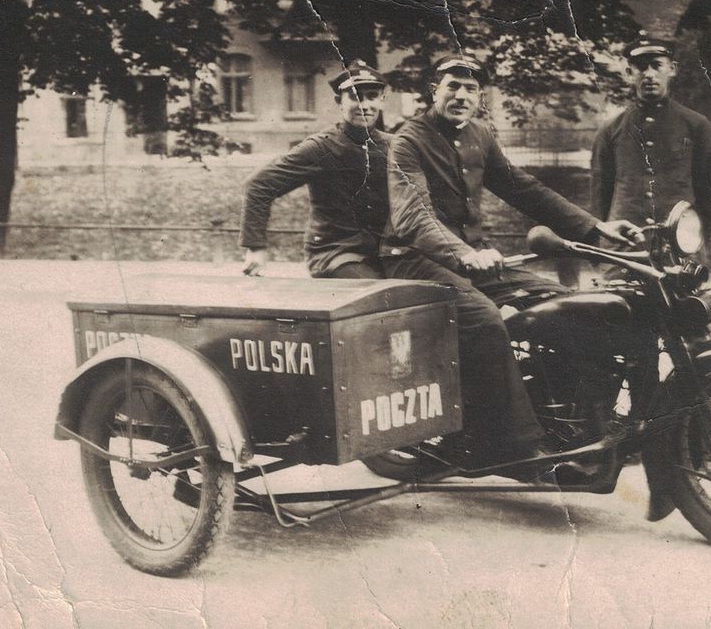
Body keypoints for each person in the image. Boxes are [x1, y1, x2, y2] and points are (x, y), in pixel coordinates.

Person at [384, 53, 642, 474]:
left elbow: (525, 190)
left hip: (476, 260)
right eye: (453, 85)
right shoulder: (408, 140)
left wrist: (596, 228)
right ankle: (516, 447)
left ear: (480, 96)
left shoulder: (480, 135)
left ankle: (578, 427)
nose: (461, 94)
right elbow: (414, 217)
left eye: (470, 88)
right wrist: (466, 254)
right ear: (435, 90)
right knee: (485, 322)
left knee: (569, 307)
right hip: (415, 258)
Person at [239, 60, 392, 279]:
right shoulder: (321, 147)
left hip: (384, 252)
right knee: (374, 294)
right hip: (335, 253)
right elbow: (259, 184)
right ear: (339, 102)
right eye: (355, 97)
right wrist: (255, 248)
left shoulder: (393, 145)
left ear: (382, 101)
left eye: (372, 96)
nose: (364, 105)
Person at [590, 35, 711, 241]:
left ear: (672, 69)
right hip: (624, 244)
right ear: (629, 73)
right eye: (641, 67)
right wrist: (603, 238)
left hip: (679, 241)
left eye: (657, 66)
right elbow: (600, 192)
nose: (649, 75)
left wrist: (695, 236)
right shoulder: (610, 129)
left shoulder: (696, 125)